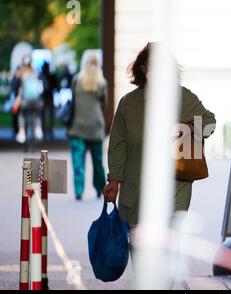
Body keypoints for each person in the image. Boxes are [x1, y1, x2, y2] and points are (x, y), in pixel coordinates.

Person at [103, 43, 216, 231]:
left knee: (168, 252)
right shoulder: (128, 103)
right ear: (143, 68)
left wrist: (188, 127)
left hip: (174, 191)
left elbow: (209, 122)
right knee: (138, 250)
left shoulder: (183, 97)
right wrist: (114, 181)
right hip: (136, 191)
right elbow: (117, 146)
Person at [68, 54, 107, 201]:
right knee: (97, 162)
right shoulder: (102, 83)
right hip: (96, 127)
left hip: (77, 127)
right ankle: (100, 189)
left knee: (78, 162)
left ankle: (79, 191)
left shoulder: (77, 80)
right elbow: (104, 104)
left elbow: (73, 102)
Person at [12, 55, 44, 144]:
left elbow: (14, 85)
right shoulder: (37, 72)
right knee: (37, 114)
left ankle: (21, 132)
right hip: (37, 101)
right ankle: (38, 128)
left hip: (25, 101)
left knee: (21, 114)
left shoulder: (21, 73)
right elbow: (44, 85)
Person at [40, 62, 58, 139]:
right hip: (47, 97)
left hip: (47, 97)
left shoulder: (47, 76)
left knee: (46, 114)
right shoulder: (46, 76)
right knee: (46, 114)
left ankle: (47, 129)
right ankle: (46, 129)